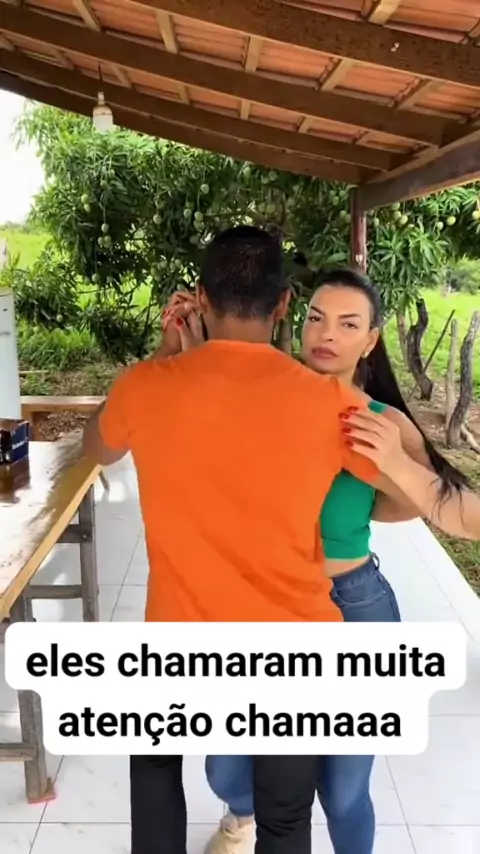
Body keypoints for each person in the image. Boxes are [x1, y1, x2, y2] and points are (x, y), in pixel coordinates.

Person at [82, 229, 384, 854]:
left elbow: (97, 448)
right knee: (284, 817)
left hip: (179, 640)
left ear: (200, 297)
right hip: (292, 647)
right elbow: (405, 489)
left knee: (155, 771)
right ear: (284, 304)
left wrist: (164, 357)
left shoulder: (146, 385)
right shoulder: (330, 401)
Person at [168, 268, 476, 854]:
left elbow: (448, 510)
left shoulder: (381, 421)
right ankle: (242, 815)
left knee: (342, 792)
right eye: (316, 318)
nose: (327, 334)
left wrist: (391, 469)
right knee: (228, 770)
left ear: (371, 339)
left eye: (348, 324)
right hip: (262, 606)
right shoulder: (266, 396)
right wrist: (197, 347)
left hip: (354, 610)